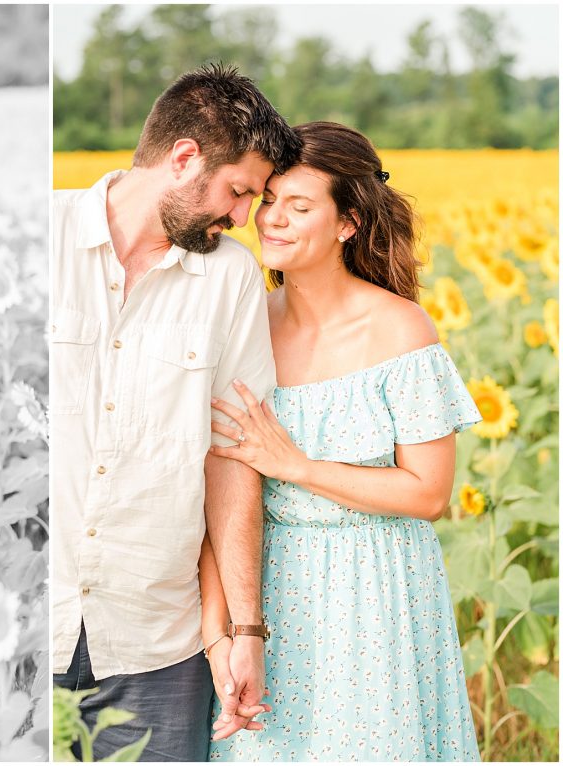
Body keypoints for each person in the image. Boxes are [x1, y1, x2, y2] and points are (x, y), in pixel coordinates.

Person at [204, 121, 481, 760]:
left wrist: (295, 465)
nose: (271, 220)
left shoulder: (401, 331)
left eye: (299, 207)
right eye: (267, 200)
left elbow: (429, 492)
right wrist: (225, 632)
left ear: (347, 222)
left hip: (378, 587)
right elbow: (217, 494)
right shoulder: (244, 326)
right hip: (270, 586)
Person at [51, 64, 301, 761]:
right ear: (184, 158)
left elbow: (232, 458)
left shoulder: (231, 279)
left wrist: (245, 629)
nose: (244, 217)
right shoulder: (38, 239)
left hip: (157, 641)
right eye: (238, 191)